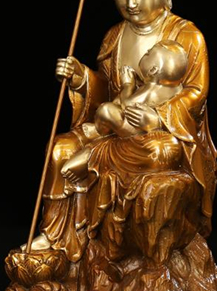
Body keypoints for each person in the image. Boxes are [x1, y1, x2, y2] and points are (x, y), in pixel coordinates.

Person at [26, 0, 217, 262]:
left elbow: (196, 93)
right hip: (112, 127)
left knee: (162, 153)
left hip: (156, 135)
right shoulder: (114, 36)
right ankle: (59, 238)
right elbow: (107, 90)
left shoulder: (186, 36)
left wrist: (156, 117)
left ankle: (94, 165)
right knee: (59, 149)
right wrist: (82, 79)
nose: (131, 4)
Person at [60, 39, 188, 183]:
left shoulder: (152, 88)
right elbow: (105, 82)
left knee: (106, 110)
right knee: (60, 150)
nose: (145, 52)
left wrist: (128, 85)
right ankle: (95, 149)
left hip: (139, 135)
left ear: (153, 70)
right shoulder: (175, 87)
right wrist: (82, 77)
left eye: (148, 53)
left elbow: (127, 105)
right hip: (136, 133)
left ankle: (97, 138)